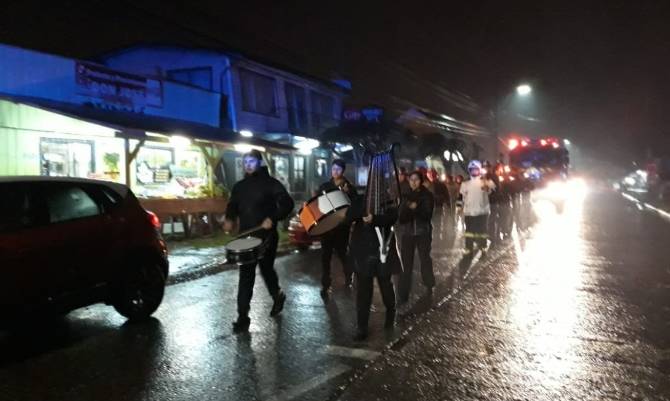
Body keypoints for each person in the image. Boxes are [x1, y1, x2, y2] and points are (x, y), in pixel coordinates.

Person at [224, 150, 295, 333]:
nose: (248, 164)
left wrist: (274, 217)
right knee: (246, 274)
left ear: (259, 163)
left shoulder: (271, 183)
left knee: (266, 269)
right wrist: (230, 219)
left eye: (252, 161)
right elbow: (232, 205)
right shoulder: (239, 186)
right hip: (246, 237)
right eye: (245, 161)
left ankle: (277, 295)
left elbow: (287, 203)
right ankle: (242, 317)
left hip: (267, 236)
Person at [347, 191, 398, 341]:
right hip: (363, 252)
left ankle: (391, 310)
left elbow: (392, 217)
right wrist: (361, 212)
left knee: (385, 285)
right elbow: (349, 216)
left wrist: (374, 219)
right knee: (363, 292)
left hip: (381, 251)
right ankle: (362, 327)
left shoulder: (387, 198)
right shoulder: (360, 200)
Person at [316, 159, 357, 297]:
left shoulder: (349, 187)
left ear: (343, 171)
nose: (335, 172)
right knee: (325, 256)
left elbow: (354, 206)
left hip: (341, 228)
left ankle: (348, 275)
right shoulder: (325, 186)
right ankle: (325, 285)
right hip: (327, 227)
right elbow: (317, 202)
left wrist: (347, 193)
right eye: (333, 169)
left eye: (338, 169)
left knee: (342, 254)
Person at [397, 171, 435, 303]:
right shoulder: (405, 195)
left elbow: (427, 215)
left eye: (416, 179)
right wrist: (409, 208)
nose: (413, 182)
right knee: (406, 264)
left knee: (425, 259)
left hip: (422, 232)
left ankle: (429, 283)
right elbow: (401, 217)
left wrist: (415, 209)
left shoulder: (427, 195)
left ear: (421, 181)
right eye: (411, 179)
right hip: (407, 234)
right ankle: (403, 293)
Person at [459, 160, 495, 255]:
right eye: (472, 170)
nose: (474, 172)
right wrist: (459, 207)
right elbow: (460, 197)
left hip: (482, 211)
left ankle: (483, 246)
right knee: (469, 231)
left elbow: (493, 189)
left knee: (482, 230)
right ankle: (468, 247)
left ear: (479, 170)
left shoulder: (486, 181)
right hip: (469, 211)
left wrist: (486, 184)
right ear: (469, 171)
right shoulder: (465, 183)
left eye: (476, 170)